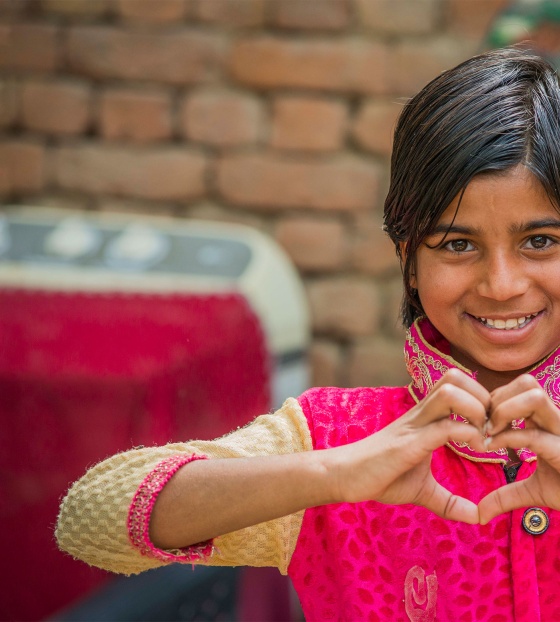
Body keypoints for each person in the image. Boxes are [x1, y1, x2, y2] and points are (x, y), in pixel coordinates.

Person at [56, 46, 560, 621]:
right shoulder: (343, 440)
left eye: (540, 241)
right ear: (409, 260)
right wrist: (333, 473)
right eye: (457, 245)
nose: (500, 284)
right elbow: (89, 517)